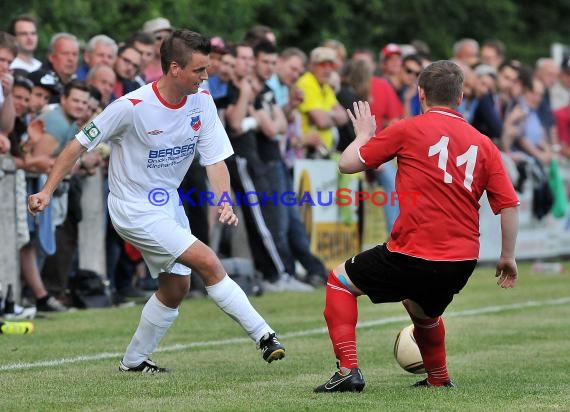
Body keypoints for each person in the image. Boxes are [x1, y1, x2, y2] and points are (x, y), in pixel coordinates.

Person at [28, 29, 285, 372]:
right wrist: (46, 190)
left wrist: (224, 199)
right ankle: (265, 335)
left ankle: (133, 362)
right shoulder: (131, 106)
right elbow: (78, 144)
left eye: (206, 69)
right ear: (174, 68)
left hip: (168, 203)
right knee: (207, 260)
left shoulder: (202, 101)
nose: (205, 76)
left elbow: (216, 158)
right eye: (199, 70)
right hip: (132, 208)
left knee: (176, 287)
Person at [314, 60, 519, 392]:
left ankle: (347, 370)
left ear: (421, 94)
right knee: (421, 309)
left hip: (414, 252)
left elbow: (347, 163)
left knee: (339, 282)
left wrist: (364, 134)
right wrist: (507, 256)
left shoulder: (407, 129)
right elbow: (509, 205)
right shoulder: (484, 144)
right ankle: (439, 378)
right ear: (462, 96)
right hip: (461, 261)